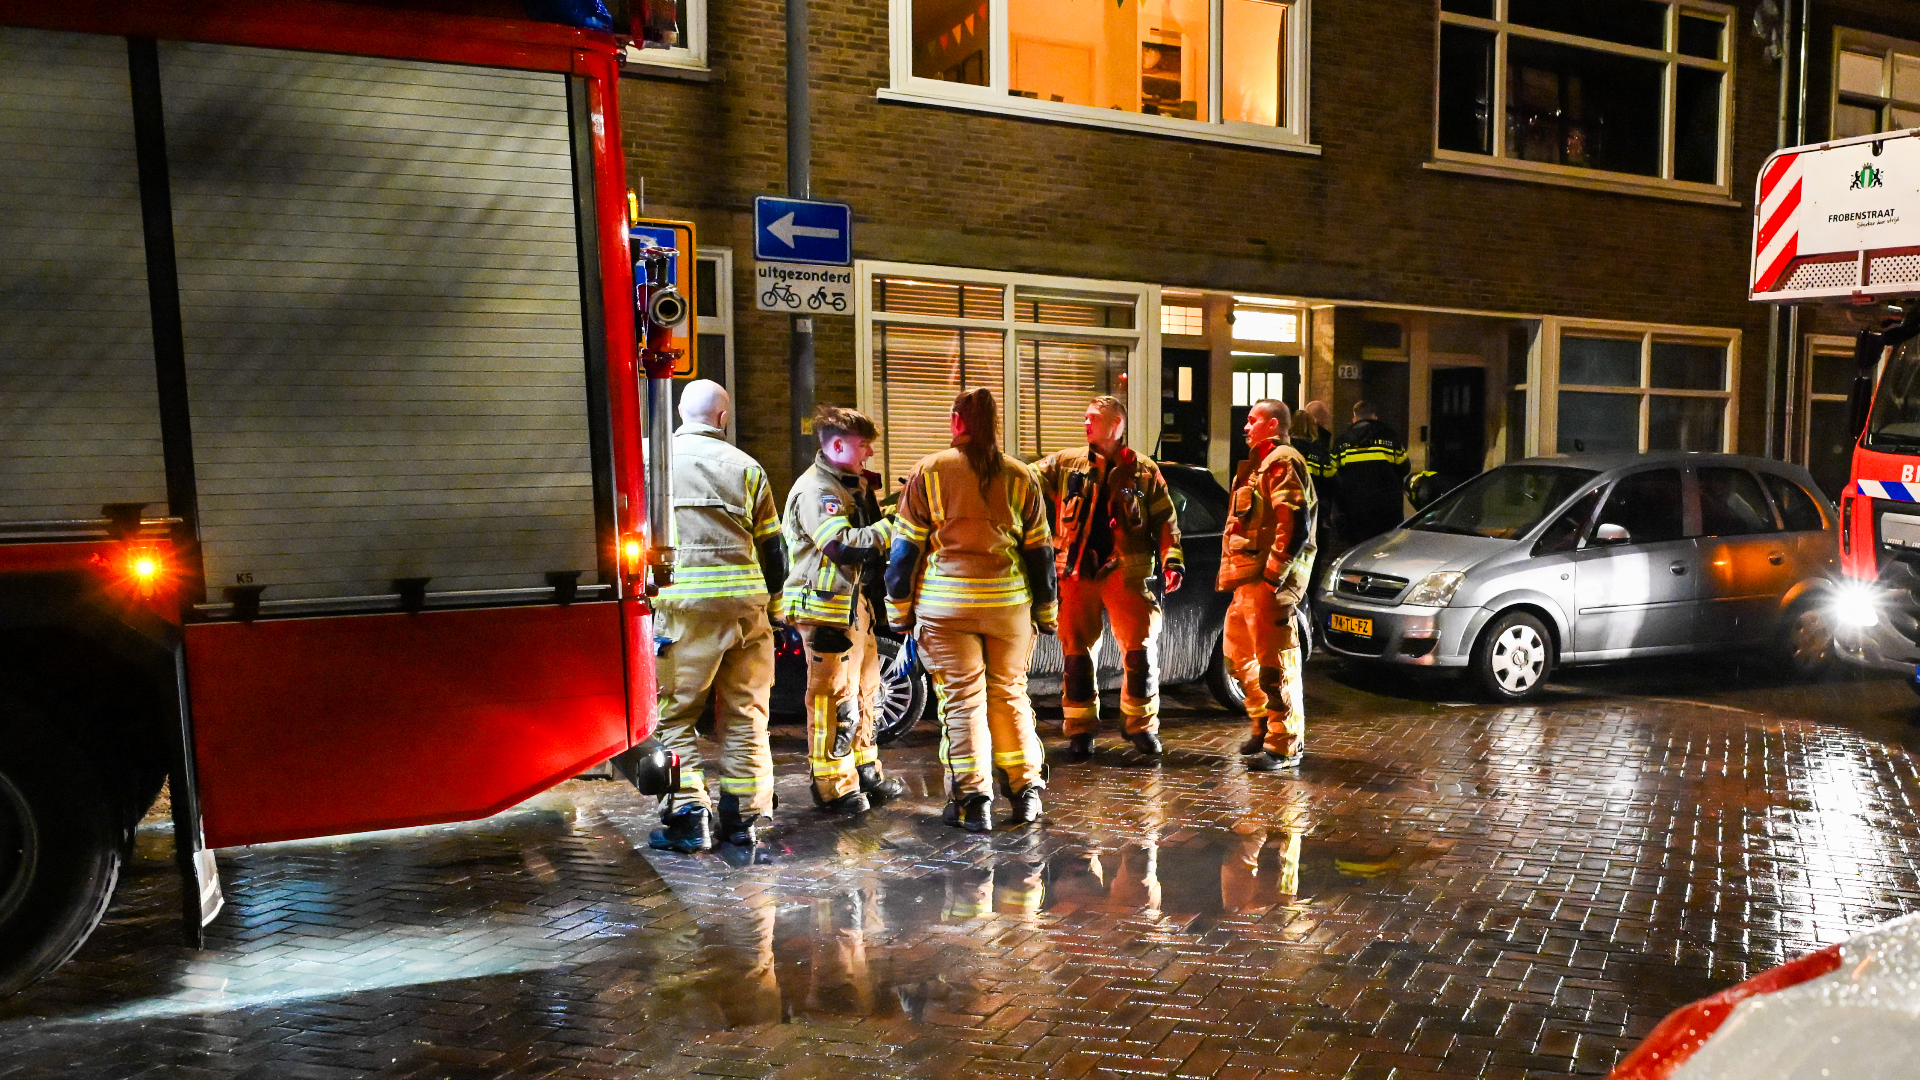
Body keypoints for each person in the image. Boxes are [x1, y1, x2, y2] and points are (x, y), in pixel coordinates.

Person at [886, 389, 1057, 833]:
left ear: (957, 422)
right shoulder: (1021, 476)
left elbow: (904, 553)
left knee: (963, 701)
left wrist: (899, 612)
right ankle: (1026, 793)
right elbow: (1040, 554)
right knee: (1010, 694)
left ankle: (973, 800)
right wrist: (1046, 612)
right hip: (1008, 607)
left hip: (946, 607)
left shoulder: (929, 471)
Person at [647, 380, 786, 853]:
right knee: (747, 715)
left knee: (672, 716)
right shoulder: (747, 467)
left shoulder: (652, 462)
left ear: (679, 412)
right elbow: (774, 551)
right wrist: (774, 607)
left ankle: (690, 818)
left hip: (681, 612)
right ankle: (744, 819)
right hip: (746, 612)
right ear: (722, 418)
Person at [1034, 396, 1184, 760]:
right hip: (1077, 571)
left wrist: (1172, 561)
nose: (1085, 422)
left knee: (1140, 650)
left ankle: (1141, 726)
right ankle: (1080, 730)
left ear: (1116, 424)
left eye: (1093, 418)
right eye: (1085, 416)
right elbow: (1023, 483)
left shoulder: (1143, 471)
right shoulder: (1065, 464)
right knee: (1075, 653)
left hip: (1126, 572)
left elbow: (1165, 521)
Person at [782, 404, 908, 816]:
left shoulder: (850, 485)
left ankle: (864, 770)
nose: (870, 452)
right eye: (863, 444)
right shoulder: (818, 490)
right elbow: (840, 545)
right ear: (837, 446)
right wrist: (895, 526)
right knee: (833, 698)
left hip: (854, 608)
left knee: (866, 691)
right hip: (826, 611)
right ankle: (834, 785)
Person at [1220, 398, 1317, 772]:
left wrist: (1274, 577)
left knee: (1276, 664)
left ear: (1273, 424)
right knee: (1237, 655)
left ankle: (1284, 745)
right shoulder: (1260, 464)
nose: (1245, 426)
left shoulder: (1281, 462)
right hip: (1249, 581)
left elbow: (1293, 524)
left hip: (1268, 583)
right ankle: (1263, 724)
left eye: (1252, 420)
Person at [1329, 400, 1409, 546]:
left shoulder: (1342, 442)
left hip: (1354, 512)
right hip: (1387, 511)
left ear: (1354, 418)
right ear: (1375, 417)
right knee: (1386, 550)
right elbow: (1405, 467)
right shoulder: (1390, 438)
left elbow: (1332, 474)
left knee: (1357, 552)